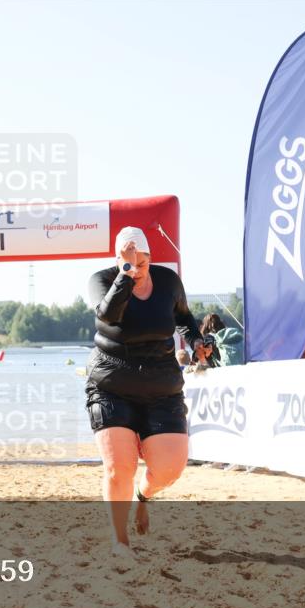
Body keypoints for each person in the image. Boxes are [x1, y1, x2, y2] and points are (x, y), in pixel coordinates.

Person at [86, 227, 206, 558]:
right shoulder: (101, 280)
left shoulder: (167, 281)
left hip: (161, 387)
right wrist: (125, 274)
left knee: (170, 468)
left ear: (151, 257)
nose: (137, 269)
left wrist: (196, 341)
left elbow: (184, 318)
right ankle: (120, 541)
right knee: (119, 467)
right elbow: (108, 314)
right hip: (111, 385)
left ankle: (143, 495)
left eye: (142, 263)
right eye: (129, 262)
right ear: (118, 260)